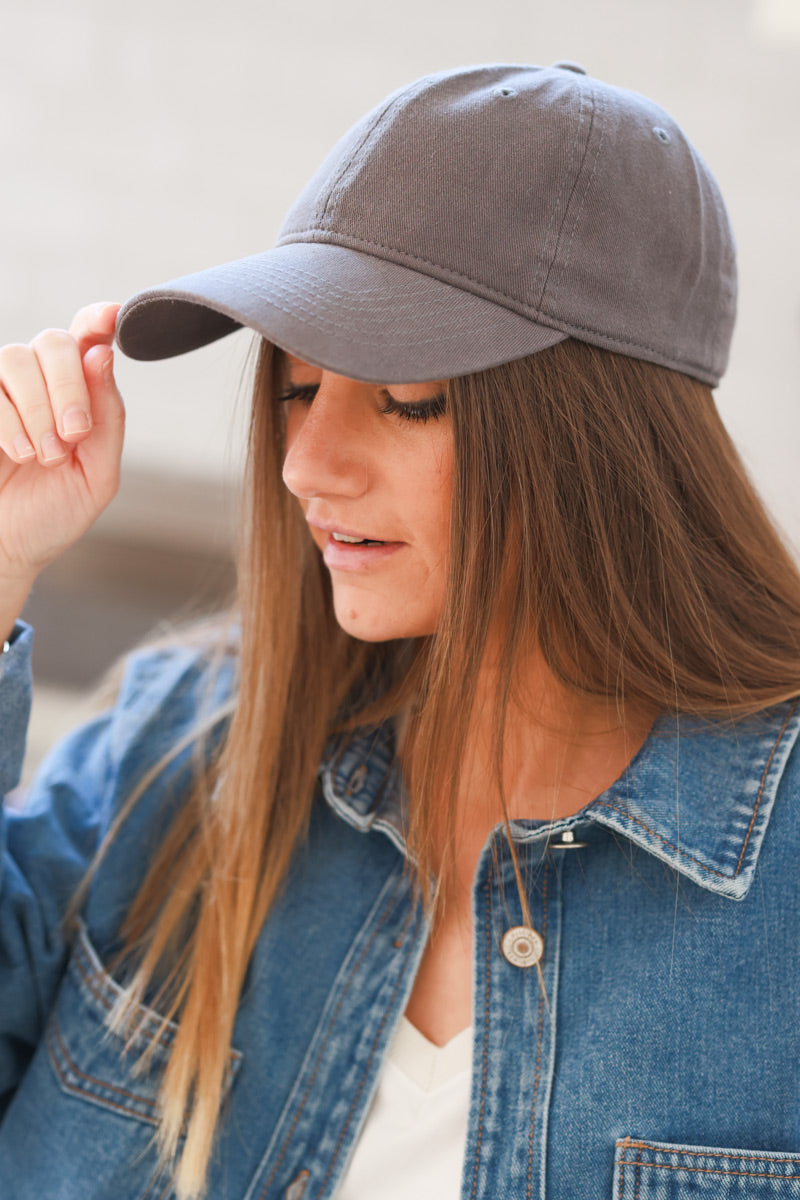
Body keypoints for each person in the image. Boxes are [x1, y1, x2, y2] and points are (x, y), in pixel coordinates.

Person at [1, 60, 800, 1200]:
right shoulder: (179, 754)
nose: (301, 463)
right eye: (297, 387)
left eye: (405, 398)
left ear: (596, 436)